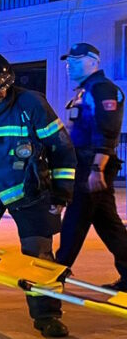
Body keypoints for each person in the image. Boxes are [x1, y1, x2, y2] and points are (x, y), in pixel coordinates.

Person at [0, 49, 77, 337]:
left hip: (29, 190)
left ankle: (47, 315)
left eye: (2, 88)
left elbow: (63, 150)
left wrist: (61, 195)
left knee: (38, 255)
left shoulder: (31, 104)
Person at [56, 43, 127, 290]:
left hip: (91, 167)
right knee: (108, 225)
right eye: (68, 61)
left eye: (76, 61)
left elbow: (107, 130)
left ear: (93, 61)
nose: (69, 65)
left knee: (74, 221)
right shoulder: (86, 90)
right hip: (85, 166)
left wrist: (98, 169)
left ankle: (56, 274)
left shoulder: (103, 89)